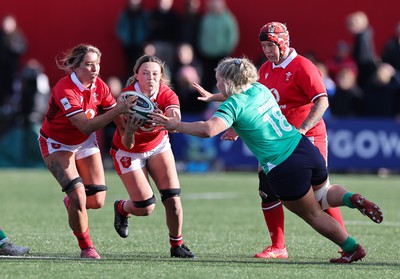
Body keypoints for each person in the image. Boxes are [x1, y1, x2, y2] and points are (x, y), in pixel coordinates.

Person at [150, 57, 383, 263]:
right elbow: (239, 97)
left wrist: (174, 125)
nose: (217, 83)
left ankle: (352, 249)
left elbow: (209, 129)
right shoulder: (259, 89)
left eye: (218, 80)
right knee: (324, 195)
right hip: (304, 148)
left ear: (228, 82)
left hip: (284, 165)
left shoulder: (234, 105)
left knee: (313, 213)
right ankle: (352, 198)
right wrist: (214, 98)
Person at [193, 22, 348, 259]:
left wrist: (303, 129)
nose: (267, 50)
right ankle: (278, 246)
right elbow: (249, 99)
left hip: (307, 137)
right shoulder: (264, 69)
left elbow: (322, 101)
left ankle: (344, 239)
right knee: (267, 190)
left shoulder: (303, 66)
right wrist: (222, 108)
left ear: (283, 43)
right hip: (276, 141)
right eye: (264, 45)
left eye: (271, 45)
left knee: (320, 193)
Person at [38, 44, 133, 259]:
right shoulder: (65, 89)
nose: (95, 69)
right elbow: (86, 125)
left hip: (84, 142)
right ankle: (86, 247)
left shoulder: (100, 86)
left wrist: (134, 127)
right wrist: (119, 109)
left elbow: (120, 122)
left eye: (97, 64)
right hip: (57, 144)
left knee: (97, 201)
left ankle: (73, 203)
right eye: (89, 65)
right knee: (79, 196)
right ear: (75, 67)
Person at [110, 55, 195, 258]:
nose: (150, 77)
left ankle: (177, 245)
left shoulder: (166, 94)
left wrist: (168, 121)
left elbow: (175, 120)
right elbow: (127, 142)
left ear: (161, 76)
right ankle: (122, 208)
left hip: (158, 146)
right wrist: (130, 130)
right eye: (145, 73)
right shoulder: (125, 99)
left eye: (155, 73)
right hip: (128, 151)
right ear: (136, 75)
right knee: (145, 207)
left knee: (173, 198)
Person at [197, 0, 239, 92]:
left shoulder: (227, 19)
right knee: (207, 79)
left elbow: (233, 36)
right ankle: (206, 102)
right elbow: (201, 34)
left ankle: (217, 102)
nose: (216, 7)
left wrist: (227, 50)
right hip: (206, 55)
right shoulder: (207, 18)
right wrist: (202, 48)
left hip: (221, 56)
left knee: (221, 80)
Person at [115, 0, 151, 79]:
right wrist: (125, 39)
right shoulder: (124, 14)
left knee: (141, 64)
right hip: (128, 45)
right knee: (129, 65)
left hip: (140, 45)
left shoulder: (144, 14)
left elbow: (148, 28)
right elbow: (119, 29)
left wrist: (144, 39)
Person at [0, 14, 27, 110]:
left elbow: (23, 48)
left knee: (13, 88)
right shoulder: (1, 35)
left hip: (13, 69)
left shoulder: (17, 35)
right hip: (2, 69)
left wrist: (13, 46)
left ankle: (13, 107)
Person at [346, 11, 379, 91]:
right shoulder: (363, 35)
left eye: (354, 23)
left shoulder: (362, 37)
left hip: (366, 72)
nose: (352, 26)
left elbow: (363, 57)